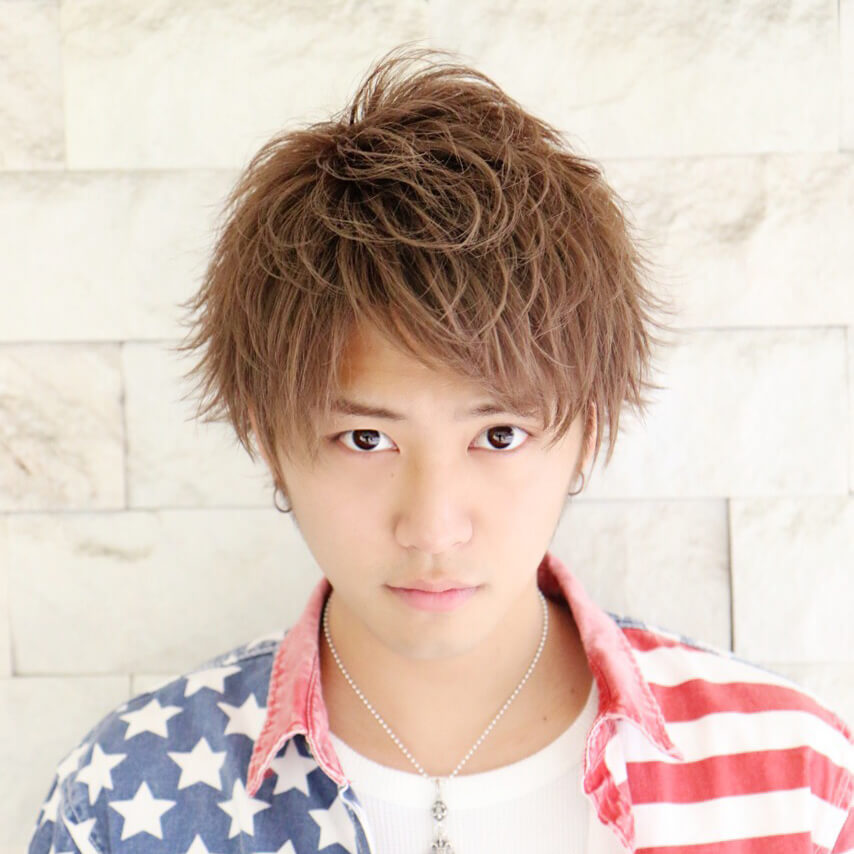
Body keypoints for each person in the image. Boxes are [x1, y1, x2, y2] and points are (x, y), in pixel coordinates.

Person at [28, 45, 852, 854]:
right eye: (366, 439)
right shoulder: (124, 800)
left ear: (589, 432)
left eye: (499, 435)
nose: (432, 527)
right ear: (267, 440)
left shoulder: (797, 782)